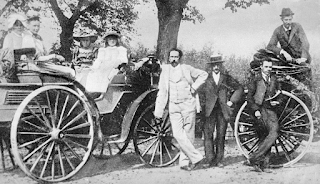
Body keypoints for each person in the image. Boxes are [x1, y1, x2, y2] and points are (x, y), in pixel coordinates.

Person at [154, 48, 208, 171]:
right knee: (178, 135)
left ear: (180, 58)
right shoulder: (165, 71)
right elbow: (162, 91)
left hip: (188, 105)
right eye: (171, 57)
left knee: (188, 135)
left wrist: (194, 87)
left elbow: (204, 75)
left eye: (176, 57)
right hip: (173, 106)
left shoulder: (186, 68)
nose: (174, 59)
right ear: (168, 58)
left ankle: (184, 163)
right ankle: (196, 157)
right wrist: (159, 111)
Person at [203, 55, 243, 168]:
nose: (216, 67)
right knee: (208, 135)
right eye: (214, 65)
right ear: (211, 66)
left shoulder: (226, 78)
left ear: (221, 65)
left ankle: (219, 159)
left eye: (218, 65)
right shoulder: (205, 78)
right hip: (209, 110)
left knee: (221, 135)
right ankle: (210, 160)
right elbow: (200, 92)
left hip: (222, 110)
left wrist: (231, 101)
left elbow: (239, 88)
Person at [246, 59, 281, 172]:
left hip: (271, 110)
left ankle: (254, 158)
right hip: (259, 110)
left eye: (270, 67)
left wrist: (278, 101)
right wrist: (255, 110)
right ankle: (263, 165)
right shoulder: (255, 79)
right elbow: (249, 98)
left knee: (274, 132)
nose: (268, 69)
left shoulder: (274, 79)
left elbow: (281, 93)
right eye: (266, 67)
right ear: (261, 67)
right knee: (264, 135)